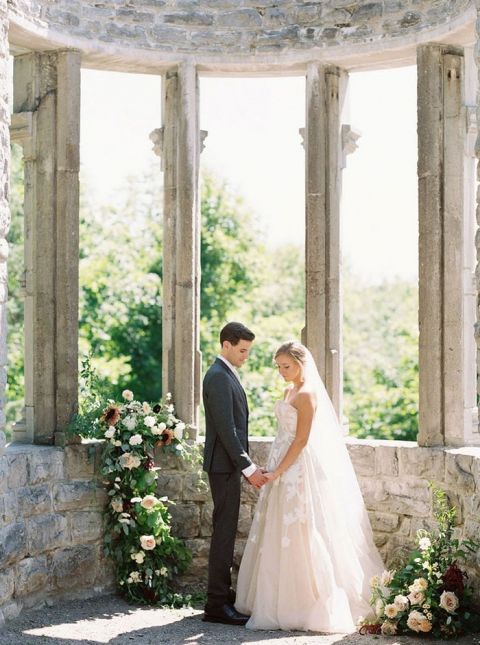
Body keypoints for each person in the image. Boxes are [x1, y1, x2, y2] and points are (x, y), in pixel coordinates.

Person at [235, 340, 384, 633]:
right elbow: (283, 435)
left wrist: (278, 471)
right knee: (278, 530)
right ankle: (275, 600)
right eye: (278, 367)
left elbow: (301, 441)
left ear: (302, 363)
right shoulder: (289, 390)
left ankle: (307, 602)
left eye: (286, 366)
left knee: (303, 529)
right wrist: (271, 467)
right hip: (280, 465)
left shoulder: (307, 394)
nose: (281, 372)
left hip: (298, 470)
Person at [202, 322, 268, 626]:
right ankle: (216, 604)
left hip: (227, 465)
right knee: (224, 533)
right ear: (225, 345)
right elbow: (227, 431)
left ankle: (223, 597)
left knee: (226, 531)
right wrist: (249, 467)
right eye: (242, 350)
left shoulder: (225, 373)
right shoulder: (217, 376)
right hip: (223, 465)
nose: (246, 356)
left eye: (248, 350)